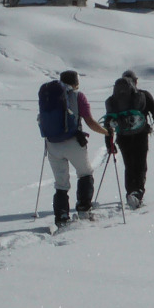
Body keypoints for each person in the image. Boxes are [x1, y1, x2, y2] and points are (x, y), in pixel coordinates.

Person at [44, 69, 109, 225]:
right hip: (73, 142)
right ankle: (83, 209)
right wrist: (106, 132)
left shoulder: (48, 95)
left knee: (61, 184)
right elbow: (90, 122)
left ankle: (61, 217)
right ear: (75, 82)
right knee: (85, 173)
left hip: (52, 144)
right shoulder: (78, 96)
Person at [103, 70, 154, 208]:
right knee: (140, 164)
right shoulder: (143, 95)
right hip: (140, 134)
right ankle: (138, 192)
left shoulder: (114, 100)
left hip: (123, 137)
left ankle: (130, 191)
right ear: (135, 81)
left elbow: (109, 122)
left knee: (129, 165)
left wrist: (109, 143)